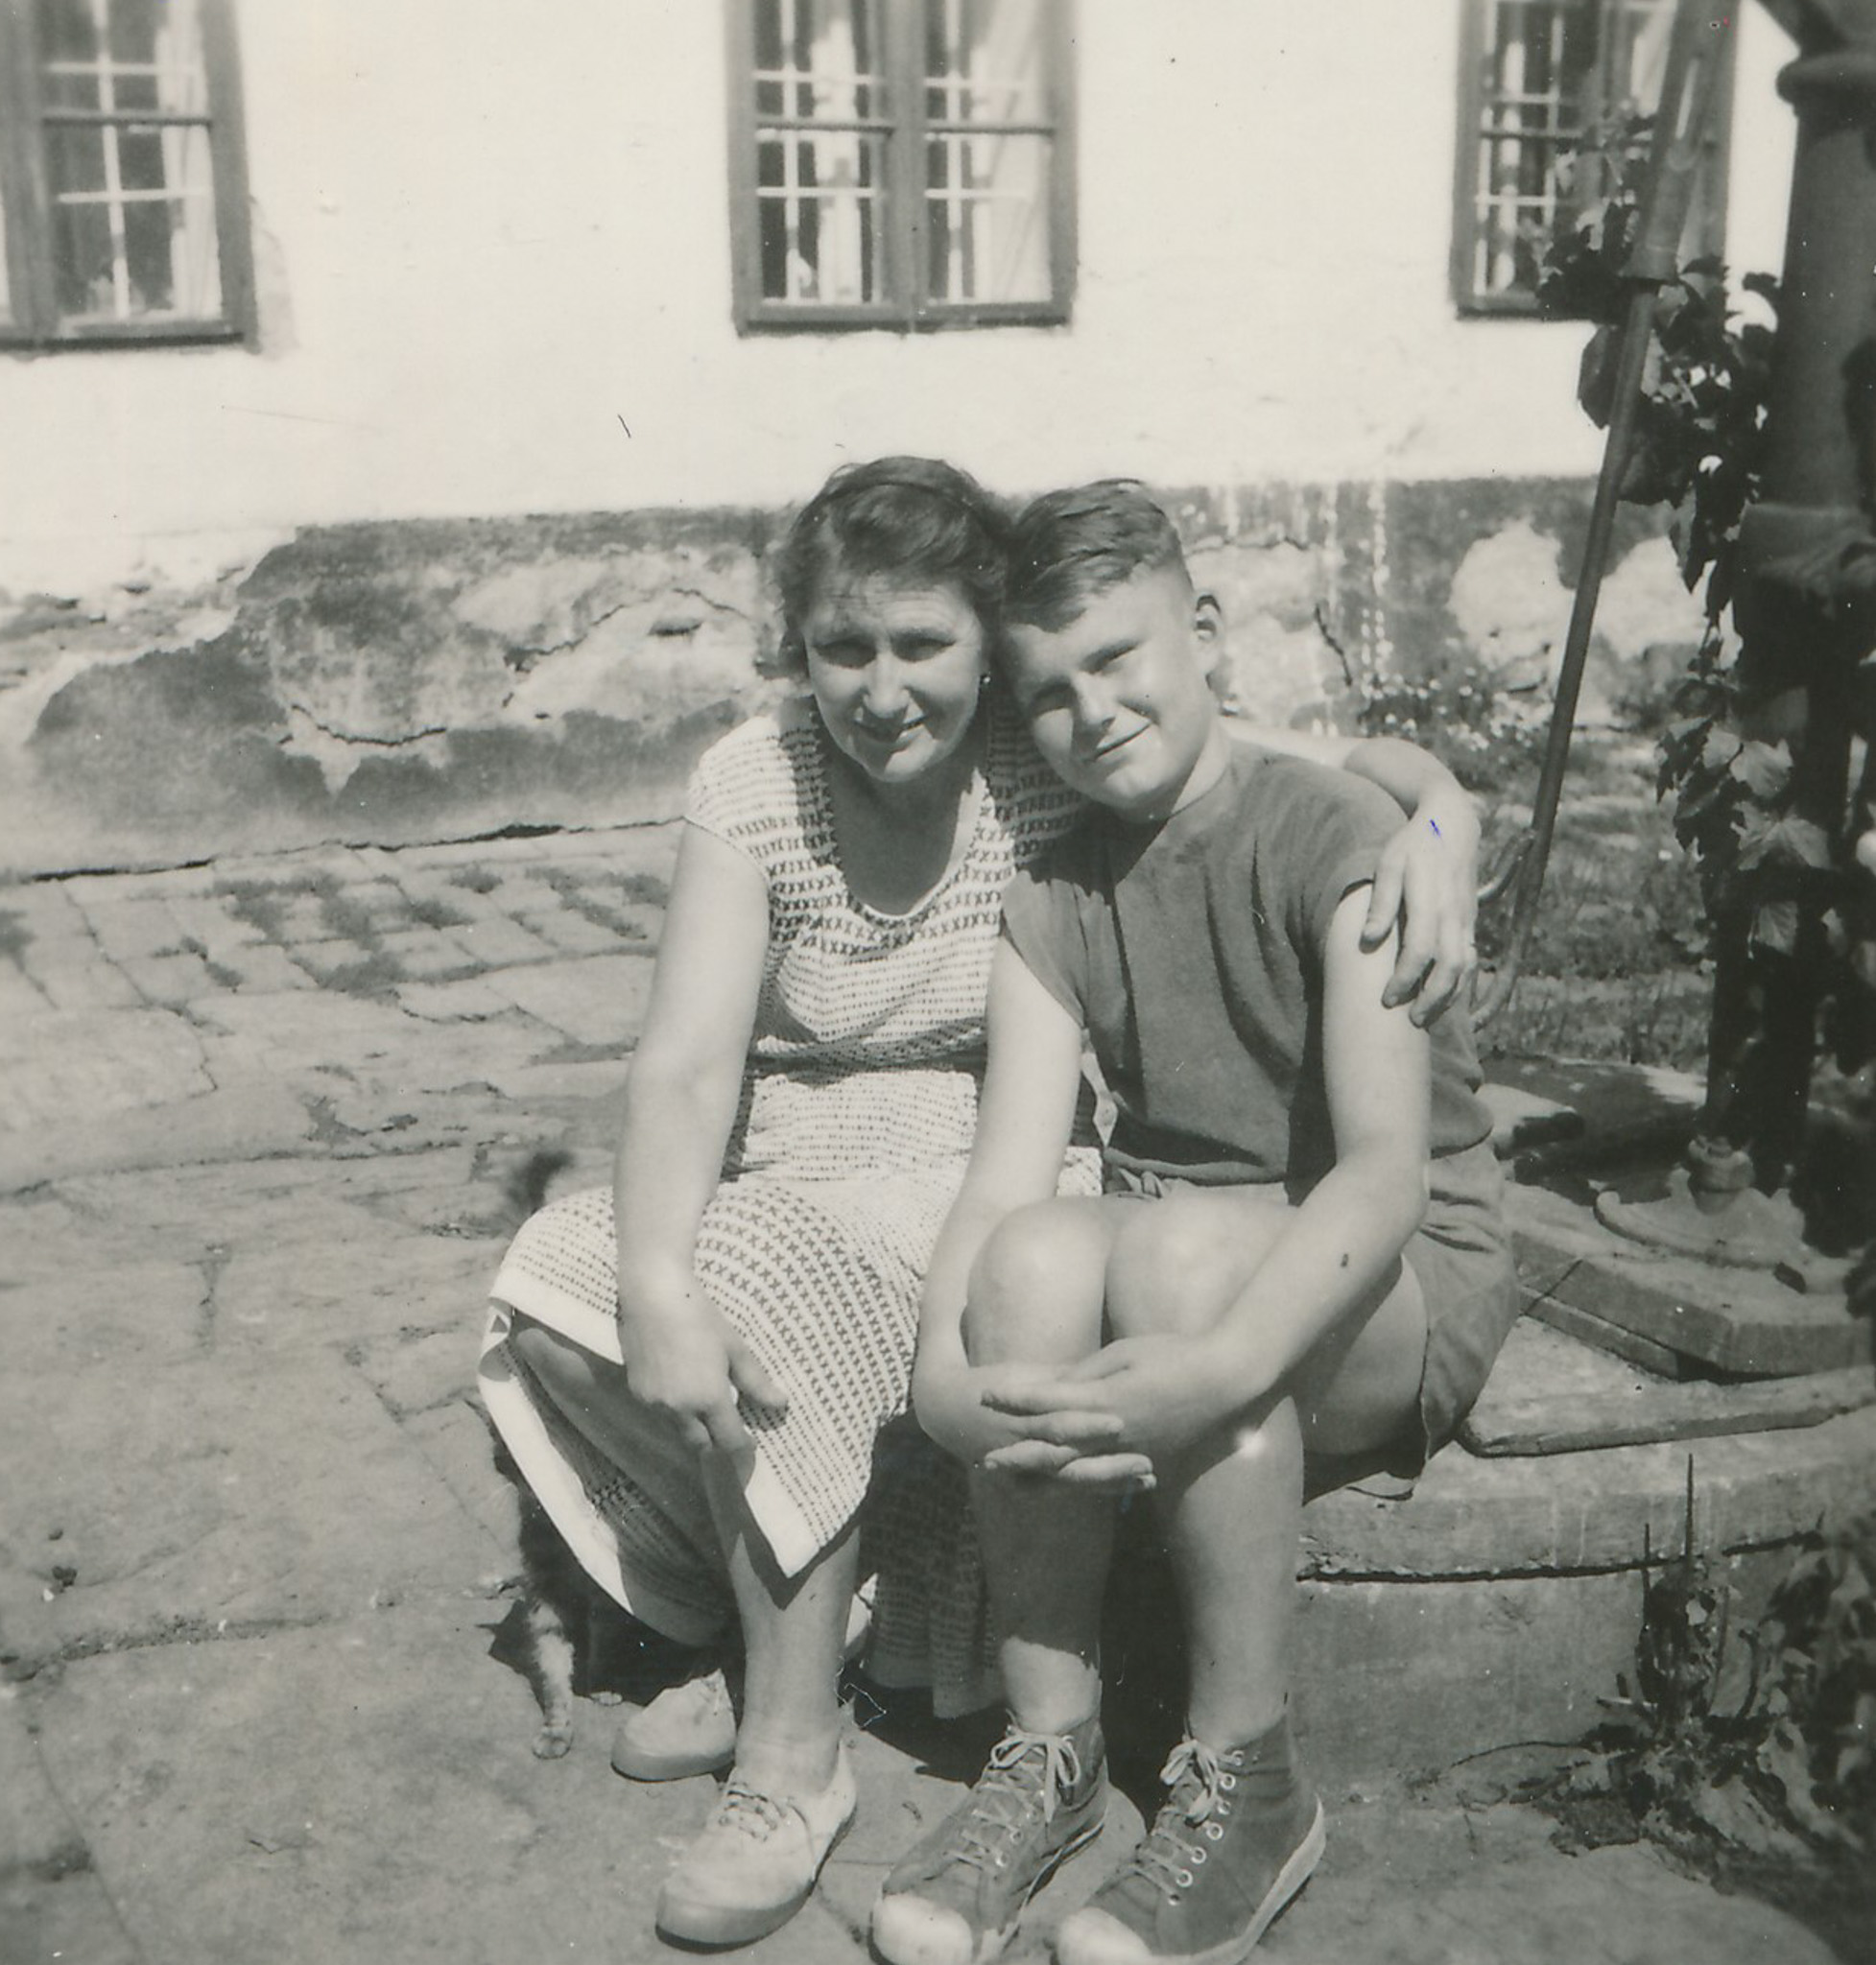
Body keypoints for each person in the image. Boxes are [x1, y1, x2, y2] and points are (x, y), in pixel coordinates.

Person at [475, 459, 1484, 1949]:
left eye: (925, 646)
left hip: (1258, 1240)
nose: (886, 690)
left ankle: (1185, 1780)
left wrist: (1445, 812)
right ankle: (1021, 1735)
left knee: (1108, 1265)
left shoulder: (1194, 794)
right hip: (1045, 1209)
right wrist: (874, 1358)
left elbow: (1382, 1148)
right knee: (943, 1266)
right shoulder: (968, 850)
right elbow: (795, 1103)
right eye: (845, 647)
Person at [874, 483, 1517, 1965]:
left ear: (1206, 631)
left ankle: (1249, 1783)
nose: (1093, 712)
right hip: (1202, 1260)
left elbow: (1384, 1176)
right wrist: (942, 1377)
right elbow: (1002, 1180)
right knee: (1033, 1257)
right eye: (1049, 691)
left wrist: (1216, 1372)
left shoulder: (1335, 832)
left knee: (1168, 1258)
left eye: (1118, 657)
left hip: (1393, 1275)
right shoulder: (1057, 896)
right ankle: (1051, 1747)